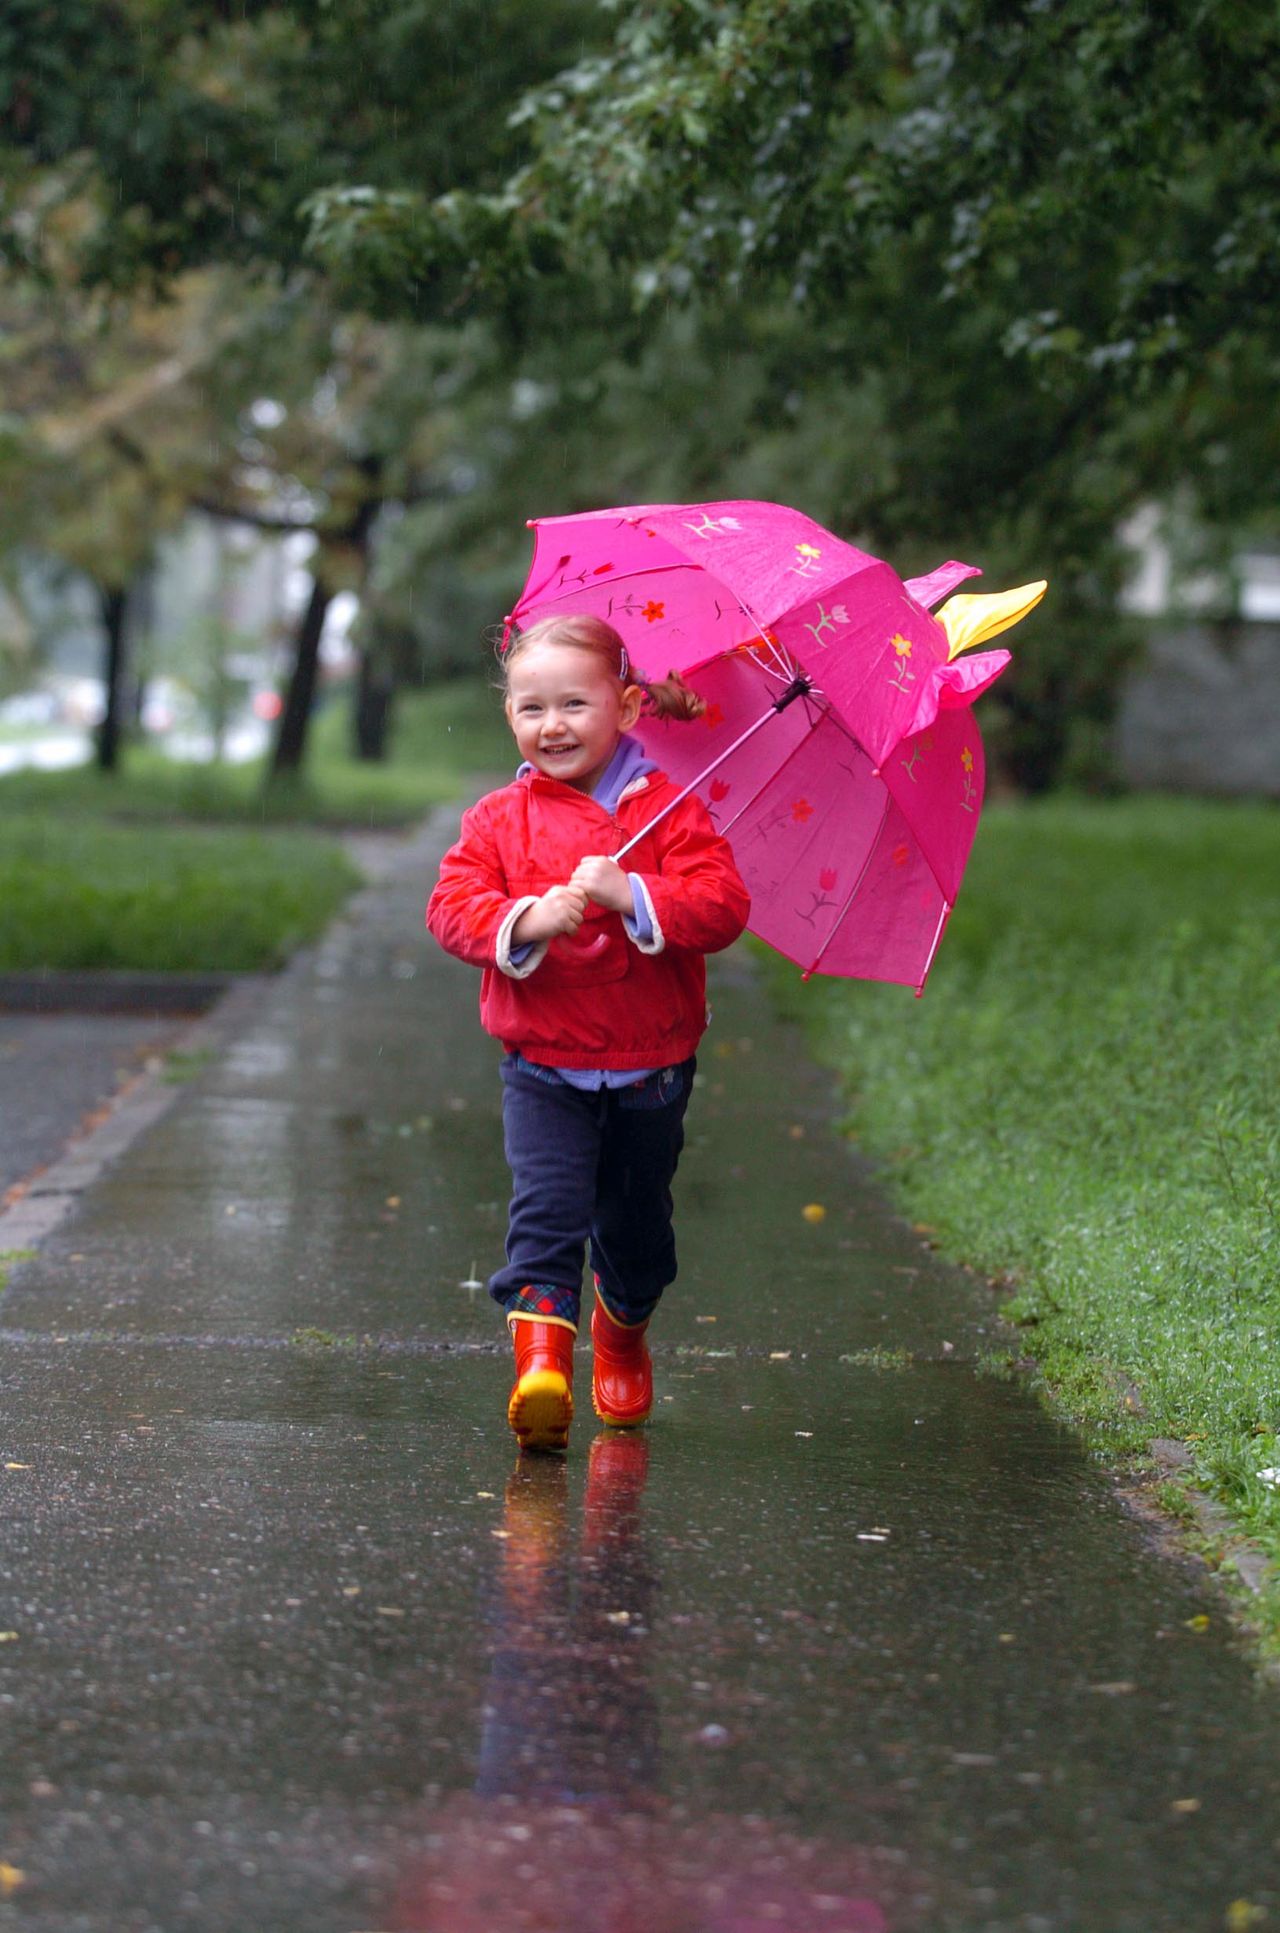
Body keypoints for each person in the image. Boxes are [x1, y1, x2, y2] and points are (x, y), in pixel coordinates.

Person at [426, 612, 750, 1453]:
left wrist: (633, 892)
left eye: (575, 703)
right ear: (510, 719)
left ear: (630, 708)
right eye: (532, 708)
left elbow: (722, 908)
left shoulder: (672, 812)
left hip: (651, 1067)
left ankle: (622, 1330)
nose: (553, 725)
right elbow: (451, 909)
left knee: (637, 1229)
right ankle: (543, 1369)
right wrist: (525, 916)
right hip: (544, 1064)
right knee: (545, 1215)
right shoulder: (499, 820)